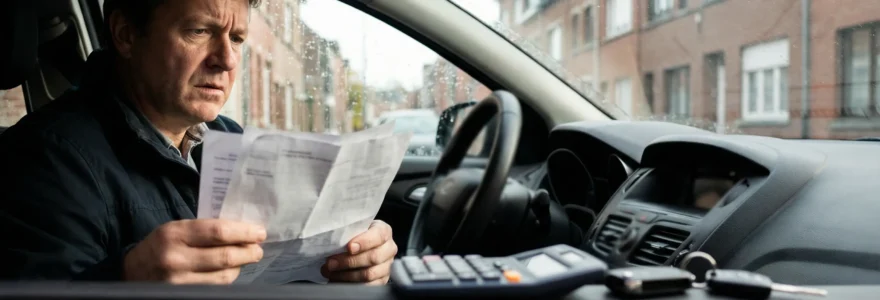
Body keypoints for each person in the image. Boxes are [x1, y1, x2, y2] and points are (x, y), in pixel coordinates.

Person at [0, 0, 396, 284]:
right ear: (125, 34)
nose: (225, 59)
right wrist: (125, 282)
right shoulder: (46, 159)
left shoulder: (232, 141)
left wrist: (357, 262)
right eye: (200, 31)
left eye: (237, 38)